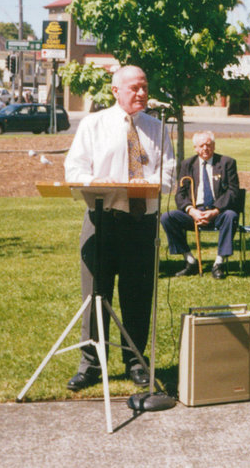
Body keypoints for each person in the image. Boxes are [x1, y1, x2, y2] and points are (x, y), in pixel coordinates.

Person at [63, 65, 175, 392]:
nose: (141, 93)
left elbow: (167, 177)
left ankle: (137, 362)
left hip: (141, 225)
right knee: (95, 296)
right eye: (134, 88)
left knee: (137, 296)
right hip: (102, 221)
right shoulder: (94, 125)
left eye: (145, 87)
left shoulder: (158, 128)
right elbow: (75, 168)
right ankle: (91, 364)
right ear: (115, 91)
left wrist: (137, 185)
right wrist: (99, 183)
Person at [160, 130, 241, 280]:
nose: (205, 148)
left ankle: (219, 263)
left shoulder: (226, 163)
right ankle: (190, 260)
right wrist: (192, 211)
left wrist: (215, 211)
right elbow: (180, 194)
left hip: (218, 213)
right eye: (201, 145)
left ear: (214, 146)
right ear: (195, 148)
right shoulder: (187, 164)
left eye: (208, 145)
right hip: (195, 214)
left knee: (231, 215)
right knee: (167, 217)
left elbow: (233, 192)